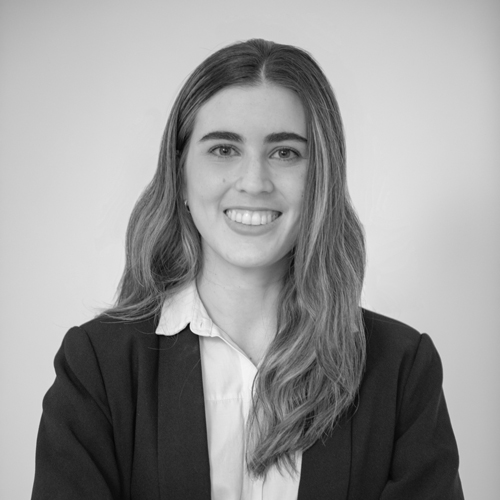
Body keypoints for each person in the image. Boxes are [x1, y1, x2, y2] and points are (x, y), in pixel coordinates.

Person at [32, 39, 464, 499]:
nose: (254, 182)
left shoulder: (401, 369)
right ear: (180, 175)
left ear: (322, 178)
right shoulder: (97, 365)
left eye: (285, 153)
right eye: (223, 149)